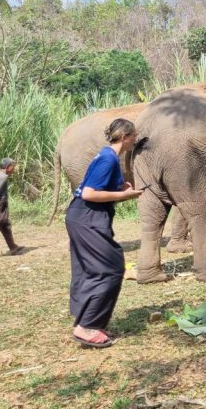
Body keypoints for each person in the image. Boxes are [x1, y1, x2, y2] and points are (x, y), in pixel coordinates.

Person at [65, 118, 143, 348]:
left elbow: (97, 185)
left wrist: (121, 187)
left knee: (89, 269)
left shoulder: (105, 155)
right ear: (125, 136)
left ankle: (86, 320)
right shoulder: (109, 158)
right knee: (111, 267)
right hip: (88, 216)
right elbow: (89, 193)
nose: (135, 139)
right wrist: (125, 196)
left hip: (82, 216)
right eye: (134, 135)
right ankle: (86, 327)